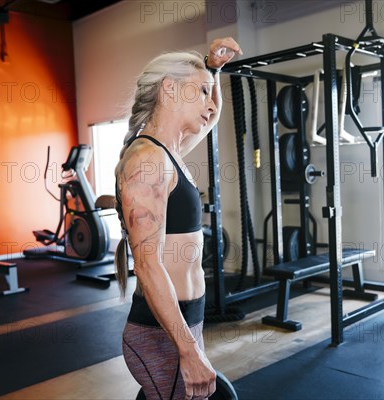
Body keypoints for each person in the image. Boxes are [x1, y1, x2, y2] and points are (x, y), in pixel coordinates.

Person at [113, 38, 242, 400]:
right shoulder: (147, 161)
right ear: (170, 89)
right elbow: (149, 265)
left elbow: (213, 116)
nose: (210, 101)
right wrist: (188, 350)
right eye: (201, 91)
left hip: (185, 318)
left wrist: (213, 71)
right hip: (159, 331)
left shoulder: (168, 151)